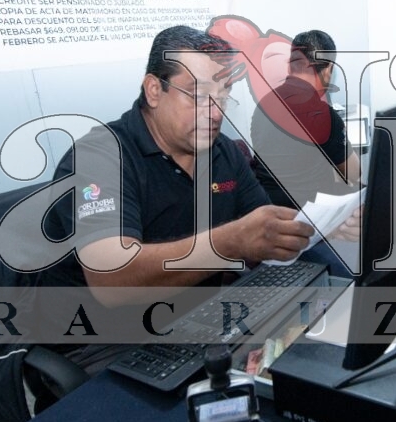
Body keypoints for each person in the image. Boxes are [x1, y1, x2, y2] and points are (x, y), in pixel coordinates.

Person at [40, 25, 316, 372]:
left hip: (196, 317)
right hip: (106, 339)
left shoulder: (223, 152)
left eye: (224, 93)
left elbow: (262, 228)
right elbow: (112, 283)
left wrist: (318, 224)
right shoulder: (100, 158)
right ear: (154, 90)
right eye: (197, 95)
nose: (216, 112)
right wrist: (229, 244)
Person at [250, 30, 361, 209]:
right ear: (329, 69)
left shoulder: (262, 105)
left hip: (269, 209)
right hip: (310, 213)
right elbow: (354, 174)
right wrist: (343, 141)